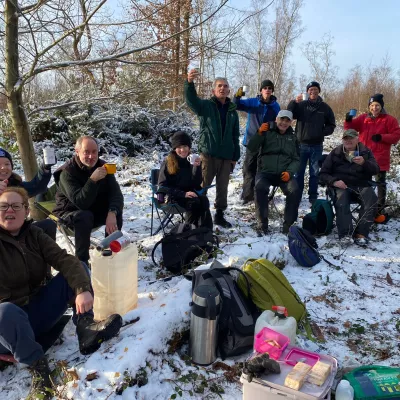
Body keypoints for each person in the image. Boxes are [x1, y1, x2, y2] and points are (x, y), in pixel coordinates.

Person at [0, 186, 123, 399]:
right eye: (3, 206)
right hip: (6, 330)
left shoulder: (34, 234)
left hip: (35, 315)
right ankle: (40, 371)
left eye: (15, 206)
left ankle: (86, 329)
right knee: (5, 312)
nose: (9, 210)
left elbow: (65, 260)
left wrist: (82, 290)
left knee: (78, 268)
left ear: (26, 211)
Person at [53, 136, 124, 265]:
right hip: (69, 214)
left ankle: (108, 252)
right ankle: (82, 263)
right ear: (77, 152)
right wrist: (92, 180)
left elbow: (117, 194)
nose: (91, 156)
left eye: (94, 152)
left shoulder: (103, 166)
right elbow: (81, 203)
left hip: (93, 209)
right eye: (86, 152)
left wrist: (112, 212)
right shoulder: (67, 172)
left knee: (115, 210)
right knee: (84, 216)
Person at [184, 70, 240, 228]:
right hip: (208, 155)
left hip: (226, 157)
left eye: (225, 86)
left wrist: (235, 157)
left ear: (229, 90)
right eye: (219, 86)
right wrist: (189, 83)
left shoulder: (232, 111)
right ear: (214, 90)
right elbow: (191, 101)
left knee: (222, 188)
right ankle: (198, 214)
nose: (223, 88)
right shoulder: (206, 106)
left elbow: (235, 136)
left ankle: (219, 215)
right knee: (202, 186)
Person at [344, 93, 400, 222]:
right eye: (372, 105)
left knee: (380, 184)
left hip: (380, 158)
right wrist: (348, 120)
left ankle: (379, 210)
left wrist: (382, 137)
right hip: (364, 157)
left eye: (377, 105)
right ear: (369, 106)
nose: (375, 108)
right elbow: (349, 129)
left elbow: (396, 135)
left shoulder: (389, 120)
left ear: (381, 106)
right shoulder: (364, 118)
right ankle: (366, 205)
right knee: (364, 183)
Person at [320, 129, 379, 246]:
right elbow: (323, 174)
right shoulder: (335, 153)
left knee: (371, 197)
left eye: (351, 138)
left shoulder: (365, 152)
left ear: (357, 139)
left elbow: (376, 169)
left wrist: (364, 163)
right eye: (346, 138)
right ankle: (345, 234)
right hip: (341, 185)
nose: (348, 141)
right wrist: (334, 181)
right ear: (342, 140)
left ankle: (361, 233)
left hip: (361, 185)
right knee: (341, 198)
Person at [247, 110, 300, 236]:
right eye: (282, 119)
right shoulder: (266, 132)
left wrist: (290, 172)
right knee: (260, 187)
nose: (284, 123)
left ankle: (289, 226)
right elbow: (251, 148)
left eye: (287, 120)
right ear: (276, 119)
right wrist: (259, 133)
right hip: (265, 172)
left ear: (291, 122)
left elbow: (297, 159)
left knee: (295, 190)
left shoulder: (293, 138)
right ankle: (262, 224)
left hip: (284, 174)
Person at [287, 81, 336, 204]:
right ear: (307, 92)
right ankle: (297, 195)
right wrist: (294, 102)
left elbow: (331, 124)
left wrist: (321, 132)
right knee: (299, 172)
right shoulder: (301, 105)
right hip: (301, 144)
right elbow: (289, 114)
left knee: (315, 173)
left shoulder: (325, 107)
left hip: (317, 146)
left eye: (315, 89)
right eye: (310, 90)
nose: (313, 92)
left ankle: (313, 196)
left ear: (319, 91)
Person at [234, 80, 281, 205]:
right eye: (265, 88)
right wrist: (237, 95)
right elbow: (235, 105)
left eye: (270, 88)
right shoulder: (252, 102)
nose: (267, 90)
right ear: (261, 90)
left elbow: (279, 123)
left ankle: (259, 194)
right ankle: (247, 196)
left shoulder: (275, 106)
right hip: (251, 141)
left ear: (272, 91)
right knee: (249, 168)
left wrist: (272, 125)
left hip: (266, 143)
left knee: (262, 170)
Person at [158, 131, 213, 229]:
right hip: (173, 196)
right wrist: (183, 194)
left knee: (204, 200)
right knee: (193, 202)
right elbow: (162, 187)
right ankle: (189, 233)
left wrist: (197, 167)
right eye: (179, 147)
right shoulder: (168, 162)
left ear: (189, 147)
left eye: (185, 146)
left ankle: (205, 232)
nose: (182, 150)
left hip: (190, 193)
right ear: (175, 149)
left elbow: (196, 183)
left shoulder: (191, 159)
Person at [0, 147, 57, 241]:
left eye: (7, 164)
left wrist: (45, 168)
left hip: (20, 232)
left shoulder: (15, 184)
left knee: (48, 225)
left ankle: (47, 255)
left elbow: (36, 186)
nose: (3, 167)